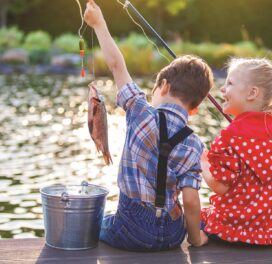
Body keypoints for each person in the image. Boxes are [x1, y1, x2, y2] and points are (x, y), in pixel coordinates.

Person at [84, 0, 214, 251]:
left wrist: (99, 24)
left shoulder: (140, 111)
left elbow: (116, 65)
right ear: (195, 109)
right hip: (173, 234)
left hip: (131, 229)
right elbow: (190, 200)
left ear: (163, 85)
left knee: (96, 222)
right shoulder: (195, 144)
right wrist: (195, 239)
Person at [200, 58, 272, 245]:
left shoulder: (228, 139)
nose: (223, 89)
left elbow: (220, 186)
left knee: (192, 219)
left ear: (252, 93)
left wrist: (203, 162)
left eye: (229, 83)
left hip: (230, 231)